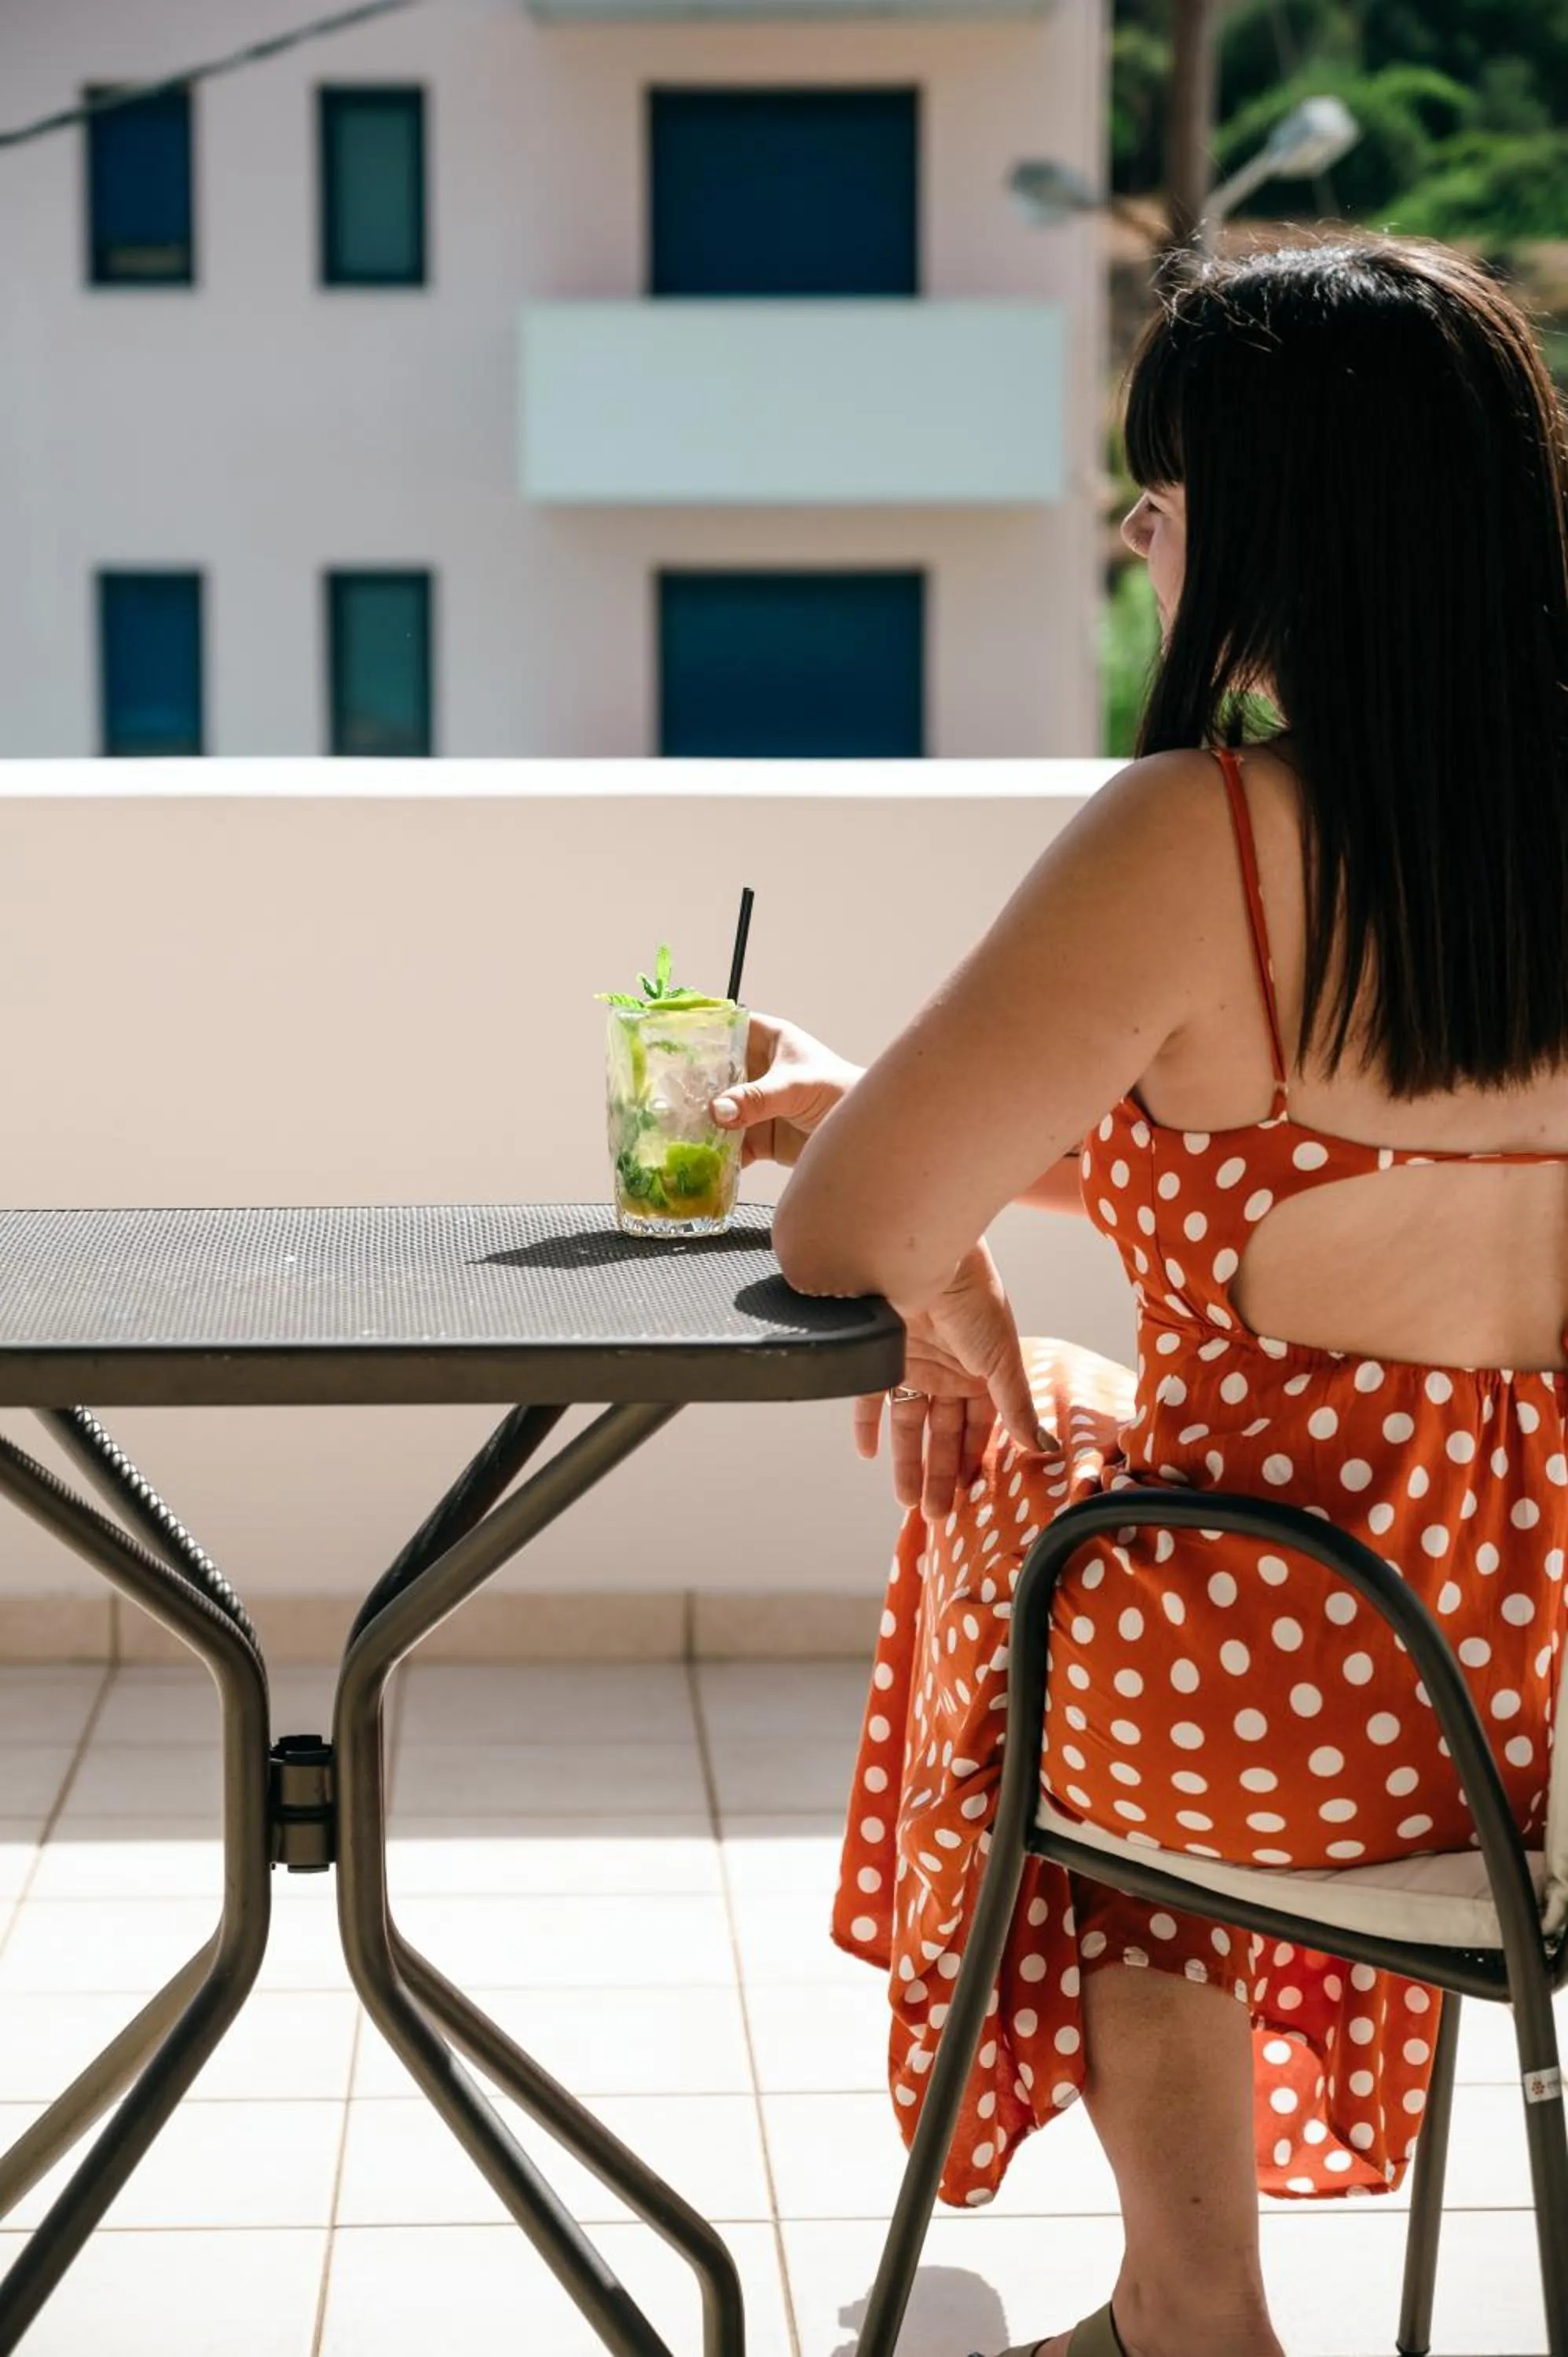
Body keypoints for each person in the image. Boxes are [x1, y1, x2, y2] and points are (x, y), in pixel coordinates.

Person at [709, 233, 1568, 2357]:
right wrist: (1009, 1231)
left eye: (1158, 494)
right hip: (1530, 1694)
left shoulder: (1202, 835)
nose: (1131, 536)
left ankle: (1189, 2300)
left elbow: (836, 1239)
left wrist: (958, 1284)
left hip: (1277, 1708)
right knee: (1066, 1449)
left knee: (1012, 1507)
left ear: (1270, 525)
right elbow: (1382, 1164)